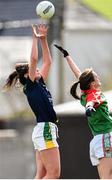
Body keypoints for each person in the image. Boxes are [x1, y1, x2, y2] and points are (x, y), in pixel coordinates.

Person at [4, 25, 60, 179]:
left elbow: (48, 62)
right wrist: (34, 38)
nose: (38, 70)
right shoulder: (31, 85)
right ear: (29, 75)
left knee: (41, 174)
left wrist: (43, 39)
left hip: (44, 130)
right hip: (45, 130)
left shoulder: (39, 83)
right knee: (53, 174)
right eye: (35, 70)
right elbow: (34, 59)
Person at [54, 44, 112, 179]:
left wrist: (67, 56)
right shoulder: (95, 94)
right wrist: (89, 107)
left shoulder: (85, 94)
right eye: (96, 76)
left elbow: (79, 75)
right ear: (92, 84)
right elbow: (92, 101)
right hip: (104, 138)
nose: (98, 77)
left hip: (97, 140)